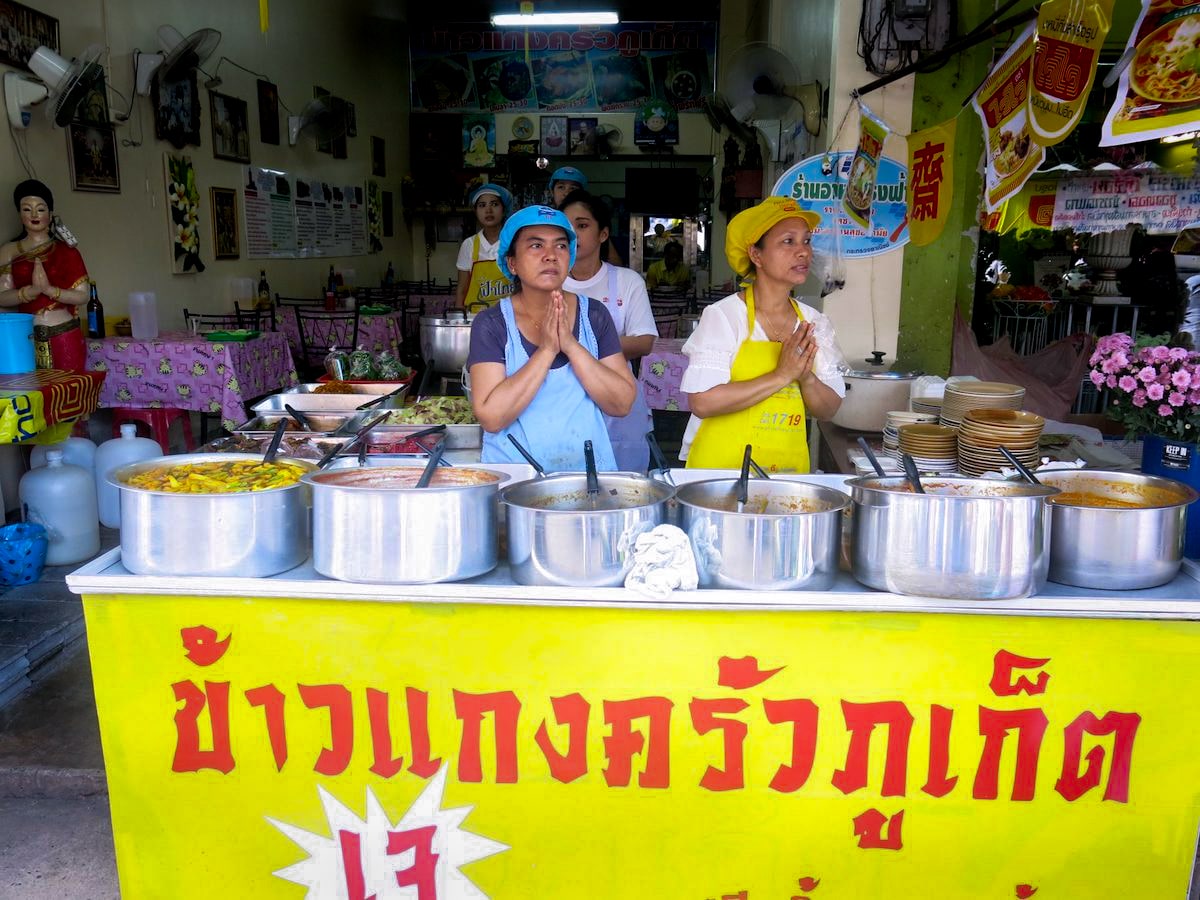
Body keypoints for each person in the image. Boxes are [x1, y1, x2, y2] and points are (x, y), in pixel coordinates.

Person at [680, 196, 846, 473]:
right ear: (756, 255)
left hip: (786, 471)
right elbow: (702, 401)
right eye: (788, 241)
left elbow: (828, 409)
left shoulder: (814, 322)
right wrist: (782, 375)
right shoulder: (724, 316)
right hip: (719, 472)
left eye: (806, 241)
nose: (804, 251)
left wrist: (804, 376)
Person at [467, 205, 635, 471]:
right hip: (515, 480)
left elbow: (622, 403)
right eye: (535, 246)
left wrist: (570, 345)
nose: (550, 256)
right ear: (512, 262)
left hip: (587, 478)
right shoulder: (492, 323)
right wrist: (545, 351)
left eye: (560, 246)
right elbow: (492, 417)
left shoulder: (594, 315)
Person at [561, 190, 657, 472]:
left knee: (624, 488)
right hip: (564, 399)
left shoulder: (627, 281)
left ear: (603, 234)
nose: (573, 234)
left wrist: (573, 347)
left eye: (582, 225)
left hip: (619, 397)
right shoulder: (548, 284)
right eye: (567, 227)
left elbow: (644, 342)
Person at [0, 180, 90, 371]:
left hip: (63, 331)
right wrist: (30, 292)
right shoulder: (9, 251)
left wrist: (50, 290)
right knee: (34, 393)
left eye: (40, 209)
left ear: (50, 214)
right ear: (19, 213)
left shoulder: (67, 251)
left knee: (70, 389)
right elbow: (2, 296)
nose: (34, 215)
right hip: (26, 335)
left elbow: (83, 295)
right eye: (26, 209)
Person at [549, 166, 624, 266]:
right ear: (551, 192)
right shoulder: (544, 220)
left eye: (573, 188)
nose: (566, 193)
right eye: (561, 187)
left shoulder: (594, 222)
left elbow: (615, 266)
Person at [455, 183, 513, 309]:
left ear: (504, 210)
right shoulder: (469, 245)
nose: (488, 210)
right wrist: (459, 321)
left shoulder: (515, 243)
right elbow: (461, 289)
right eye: (482, 205)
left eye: (494, 204)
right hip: (476, 318)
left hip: (510, 318)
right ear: (475, 211)